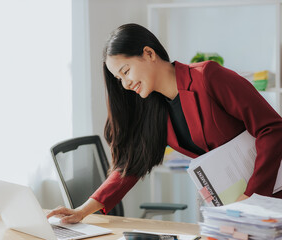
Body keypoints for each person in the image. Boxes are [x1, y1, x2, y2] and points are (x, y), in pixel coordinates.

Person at [47, 23, 282, 223]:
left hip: (267, 195)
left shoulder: (208, 76)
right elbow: (132, 165)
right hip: (225, 204)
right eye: (119, 79)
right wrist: (82, 211)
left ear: (149, 53)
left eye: (126, 71)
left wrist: (252, 196)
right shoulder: (154, 109)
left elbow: (272, 128)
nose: (125, 84)